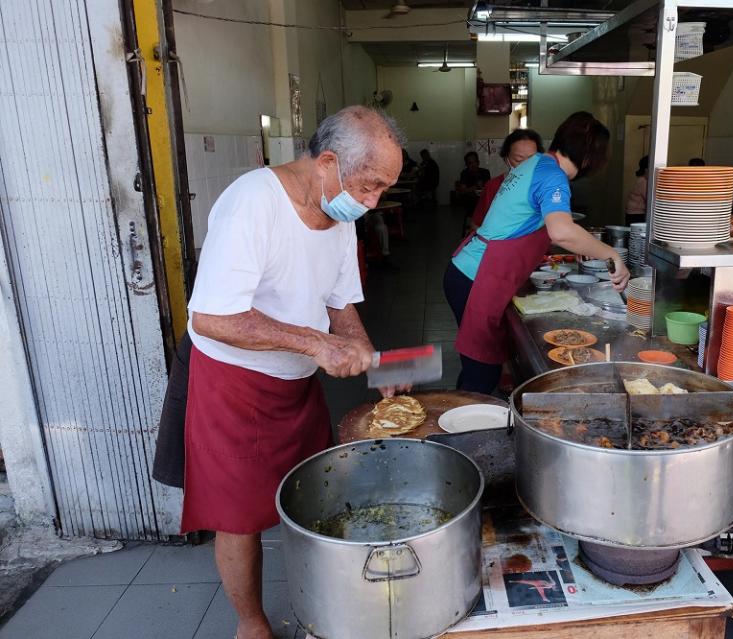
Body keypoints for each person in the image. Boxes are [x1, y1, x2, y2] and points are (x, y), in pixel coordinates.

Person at [182, 105, 406, 639]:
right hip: (233, 384)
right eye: (369, 186)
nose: (373, 202)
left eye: (383, 190)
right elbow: (212, 316)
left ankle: (324, 596)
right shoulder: (252, 203)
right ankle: (252, 623)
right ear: (327, 162)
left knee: (313, 493)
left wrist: (367, 356)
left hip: (295, 385)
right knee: (239, 516)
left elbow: (340, 302)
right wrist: (315, 343)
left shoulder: (340, 216)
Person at [443, 112, 630, 394]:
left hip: (469, 271)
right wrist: (612, 255)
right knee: (481, 372)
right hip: (477, 277)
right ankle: (459, 431)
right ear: (590, 158)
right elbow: (561, 231)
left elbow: (534, 223)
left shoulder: (537, 164)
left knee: (478, 367)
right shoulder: (552, 174)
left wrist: (583, 243)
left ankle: (460, 418)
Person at [471, 129, 544, 229]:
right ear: (506, 159)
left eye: (532, 160)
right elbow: (476, 224)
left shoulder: (544, 186)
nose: (527, 166)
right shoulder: (494, 186)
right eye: (519, 160)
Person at [626, 155, 649, 224]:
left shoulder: (641, 179)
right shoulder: (643, 181)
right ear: (646, 169)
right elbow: (649, 198)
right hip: (636, 214)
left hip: (633, 213)